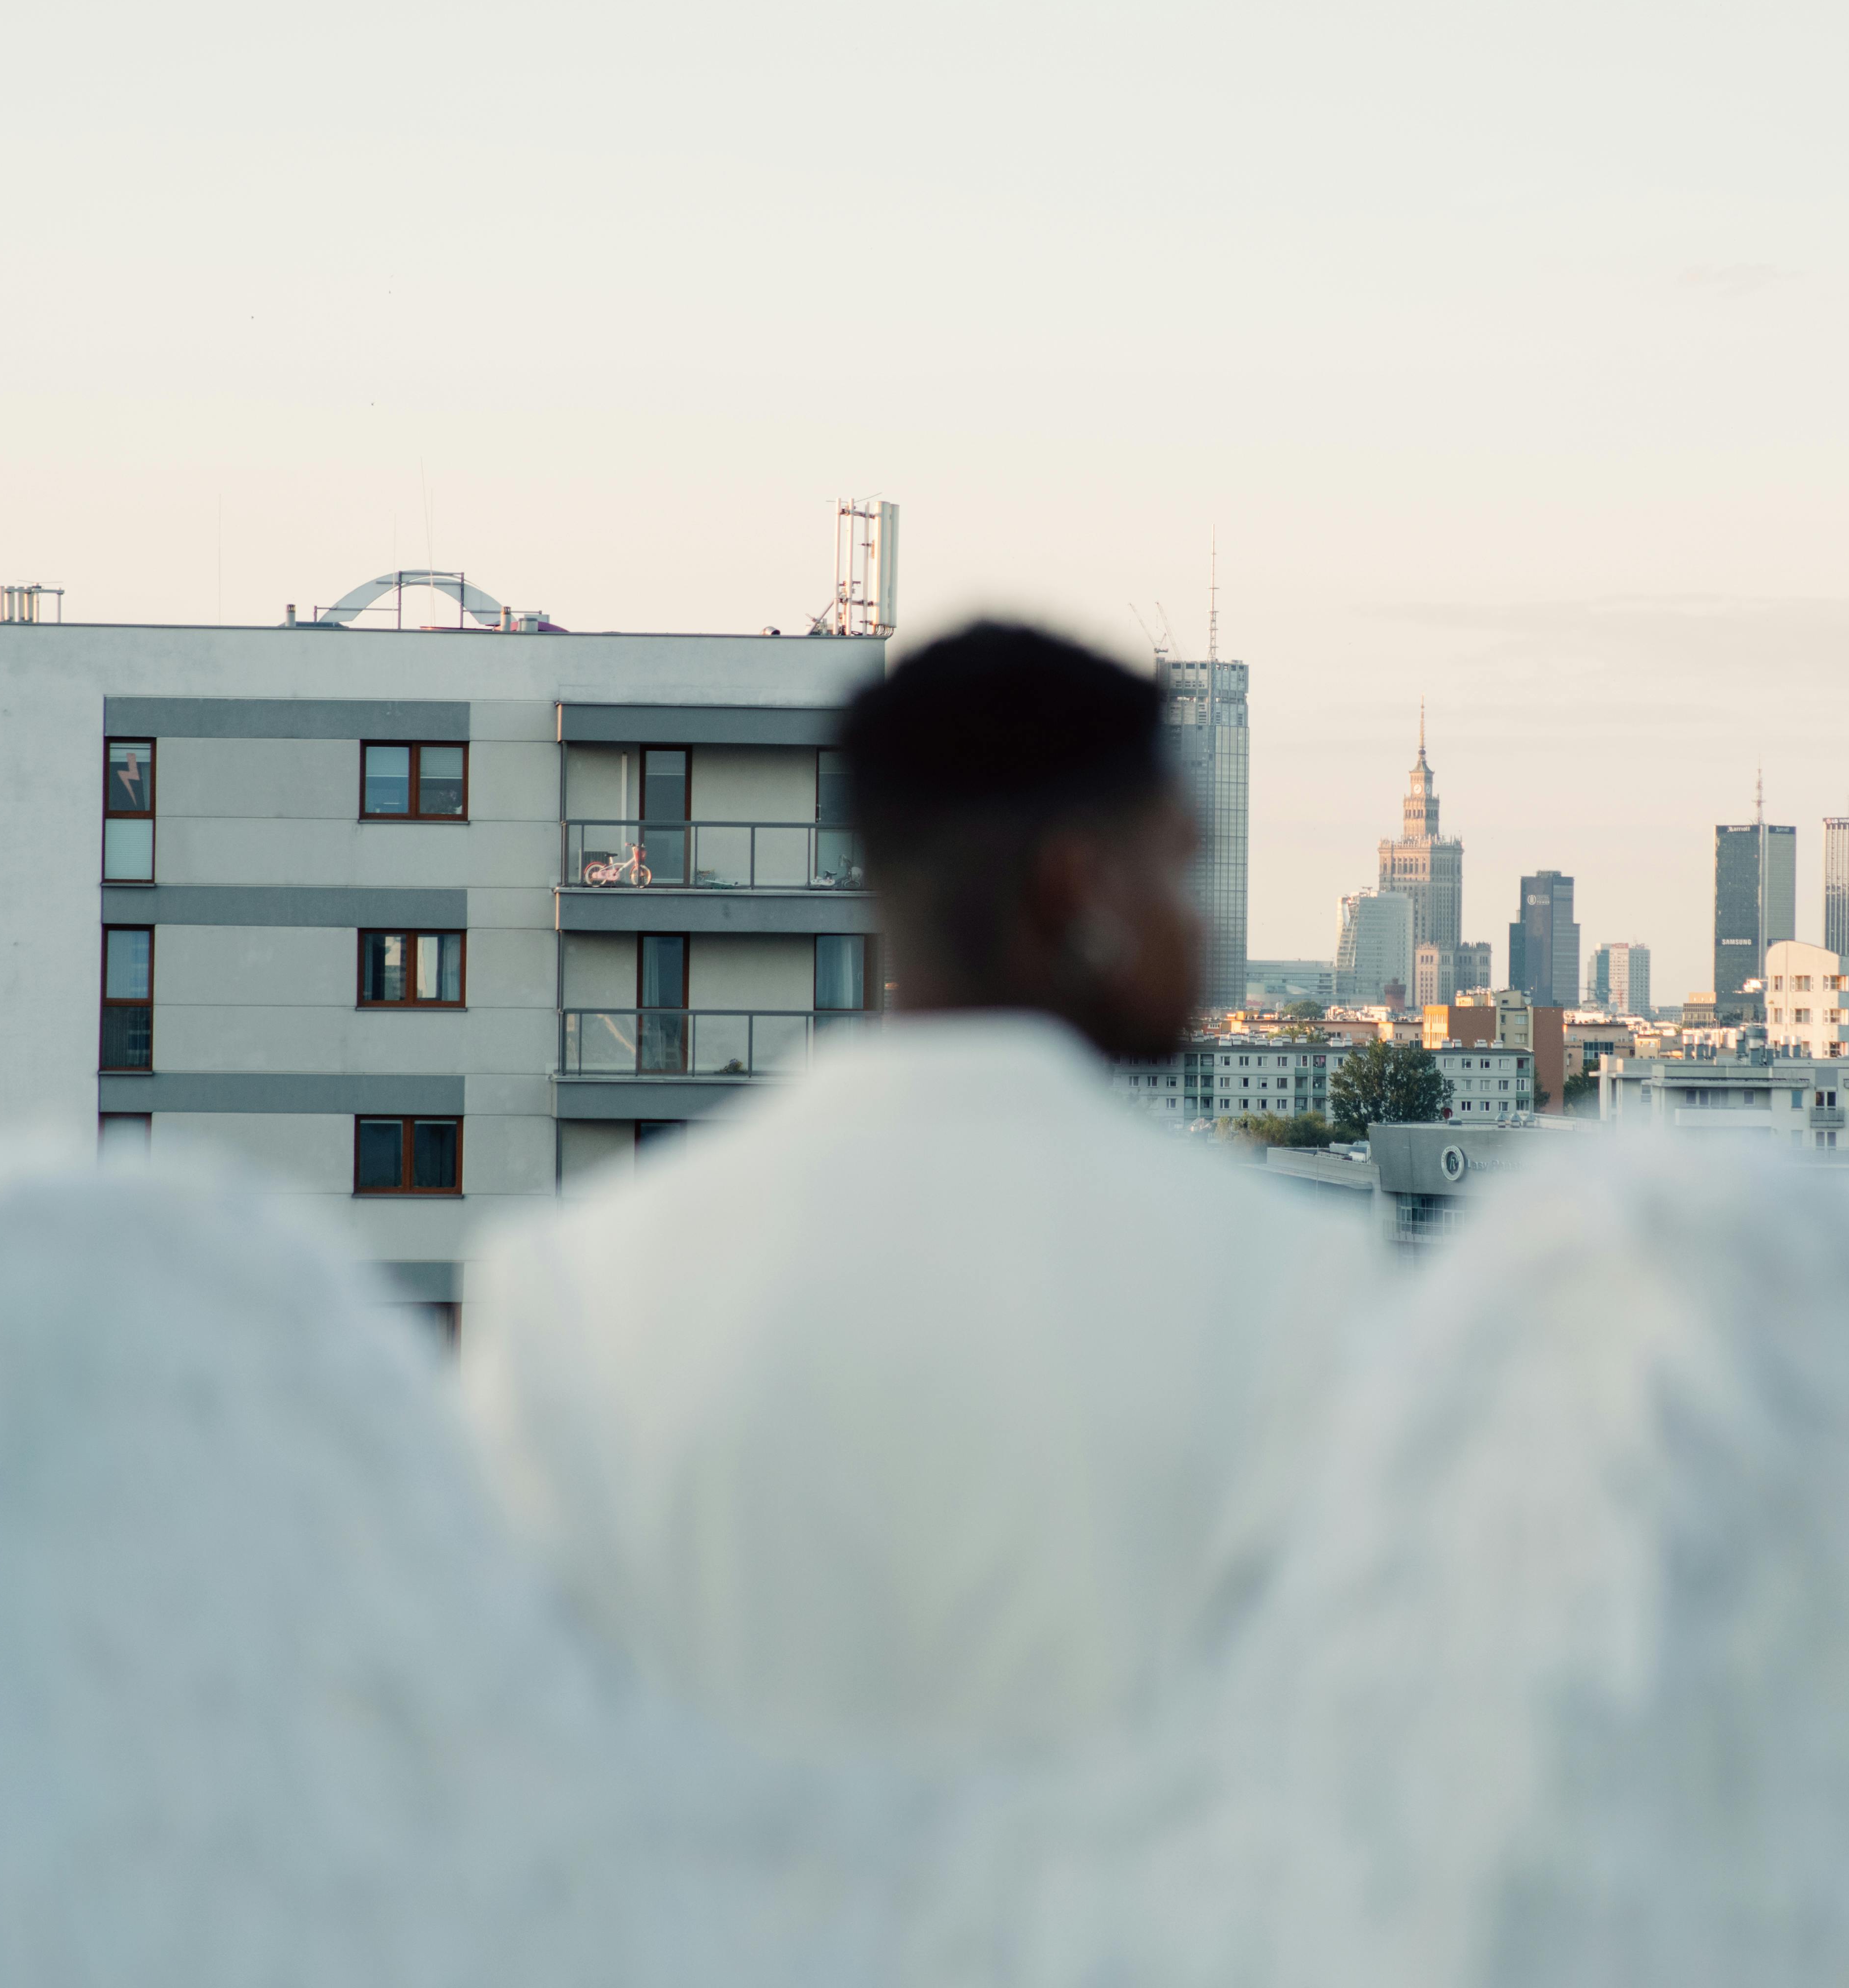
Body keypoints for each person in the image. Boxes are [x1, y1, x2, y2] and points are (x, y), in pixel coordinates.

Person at [459, 621, 1385, 1754]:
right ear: (1077, 884)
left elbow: (503, 1764)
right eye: (1178, 863)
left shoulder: (572, 1288)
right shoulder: (1290, 1284)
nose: (1205, 922)